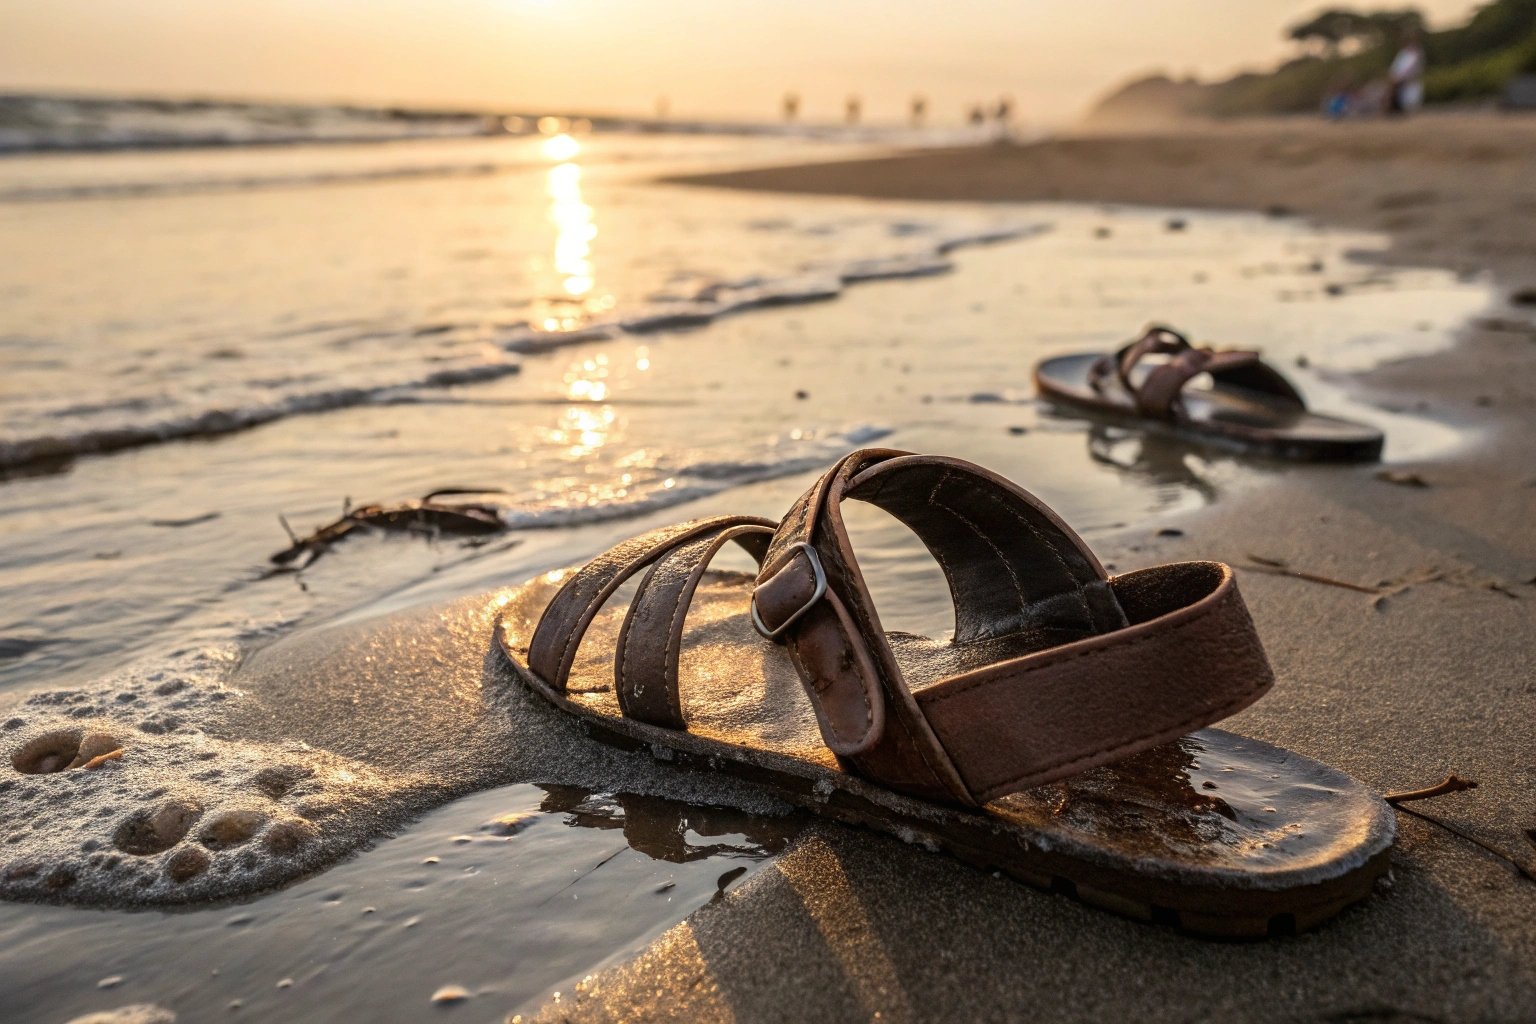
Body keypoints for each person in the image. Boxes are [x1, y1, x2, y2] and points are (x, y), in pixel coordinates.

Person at [1388, 31, 1425, 116]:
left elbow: (1412, 68)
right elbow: (1395, 68)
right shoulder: (1403, 54)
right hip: (1400, 79)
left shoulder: (1417, 53)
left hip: (1408, 80)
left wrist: (1401, 77)